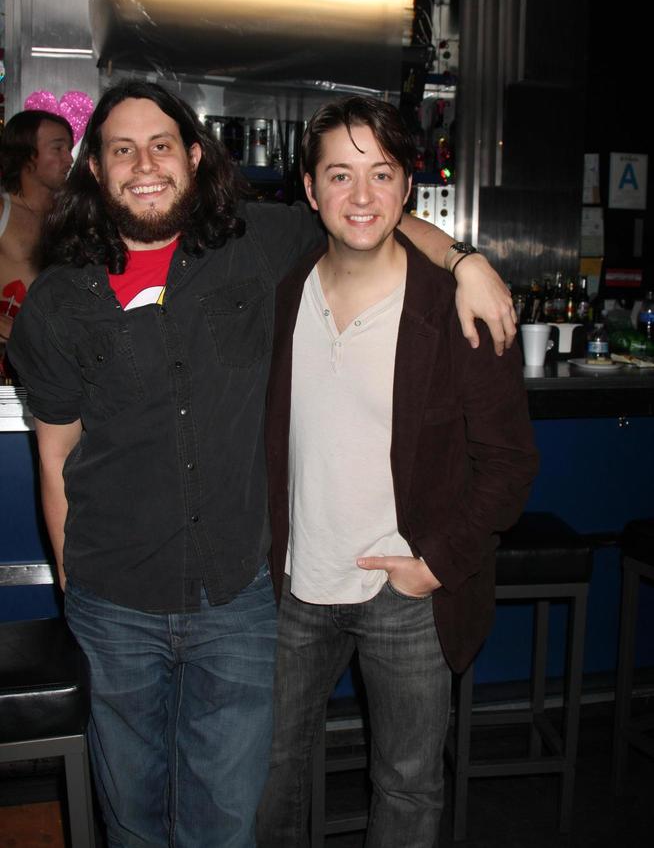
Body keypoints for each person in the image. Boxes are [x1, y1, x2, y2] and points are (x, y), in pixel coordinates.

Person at [9, 79, 516, 848]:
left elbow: (366, 210)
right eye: (121, 150)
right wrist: (80, 596)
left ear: (193, 155)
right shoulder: (56, 305)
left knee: (233, 821)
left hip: (238, 604)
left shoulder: (256, 246)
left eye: (161, 145)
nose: (144, 164)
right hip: (125, 602)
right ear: (97, 170)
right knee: (138, 819)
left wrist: (467, 259)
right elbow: (55, 460)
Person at [257, 97, 539, 847]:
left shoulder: (456, 307)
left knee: (409, 788)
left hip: (405, 592)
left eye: (380, 174)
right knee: (268, 777)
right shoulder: (285, 295)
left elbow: (509, 464)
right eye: (339, 175)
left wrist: (436, 564)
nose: (361, 197)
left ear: (407, 188)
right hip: (295, 586)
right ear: (310, 191)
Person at [0, 110, 74, 347]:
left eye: (69, 149)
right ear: (27, 155)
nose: (69, 159)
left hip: (56, 362)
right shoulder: (3, 210)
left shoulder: (73, 218)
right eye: (58, 148)